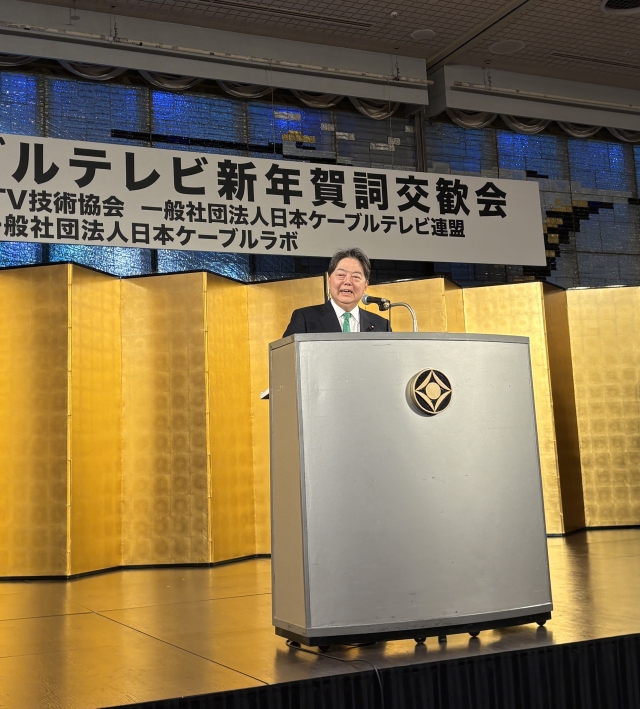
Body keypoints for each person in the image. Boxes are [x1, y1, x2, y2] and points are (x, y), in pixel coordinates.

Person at [282, 247, 391, 336]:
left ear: (365, 285)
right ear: (329, 279)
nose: (347, 281)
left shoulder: (382, 325)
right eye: (341, 275)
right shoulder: (304, 318)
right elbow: (287, 355)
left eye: (355, 277)